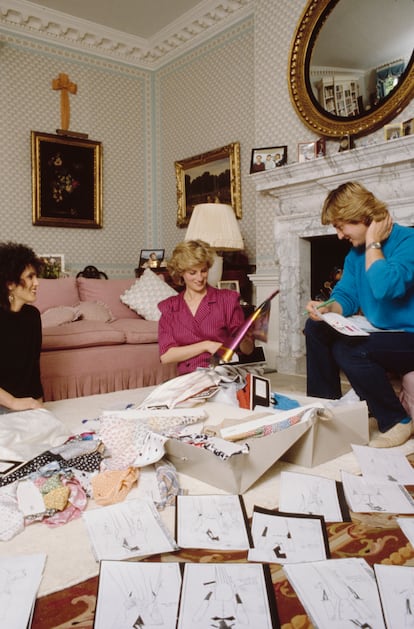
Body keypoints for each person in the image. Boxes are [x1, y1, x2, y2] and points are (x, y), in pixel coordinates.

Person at [303, 181, 414, 448]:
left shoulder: (407, 242)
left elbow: (385, 287)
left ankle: (396, 421)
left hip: (408, 336)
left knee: (351, 350)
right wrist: (328, 308)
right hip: (382, 332)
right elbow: (347, 296)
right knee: (315, 327)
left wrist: (374, 242)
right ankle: (327, 409)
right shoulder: (354, 255)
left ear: (363, 218)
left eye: (342, 226)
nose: (340, 235)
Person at [158, 240, 254, 374]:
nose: (200, 277)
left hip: (223, 372)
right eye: (192, 273)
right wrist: (206, 345)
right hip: (189, 377)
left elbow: (247, 350)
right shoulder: (170, 307)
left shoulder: (227, 299)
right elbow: (166, 356)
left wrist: (246, 337)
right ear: (181, 273)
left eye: (203, 271)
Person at [0, 242, 44, 413]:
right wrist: (13, 402)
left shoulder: (33, 316)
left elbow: (33, 367)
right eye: (30, 277)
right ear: (10, 283)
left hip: (23, 405)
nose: (37, 283)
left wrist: (39, 406)